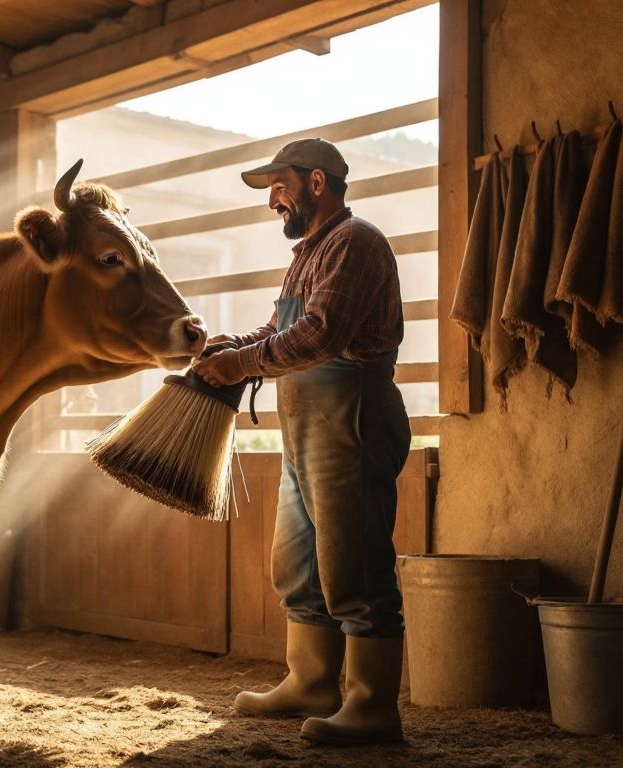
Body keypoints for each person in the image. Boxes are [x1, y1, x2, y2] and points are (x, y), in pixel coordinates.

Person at [193, 138, 411, 746]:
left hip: (352, 414)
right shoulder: (311, 252)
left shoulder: (356, 241)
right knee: (297, 560)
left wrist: (241, 368)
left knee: (354, 560)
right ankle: (312, 681)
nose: (272, 203)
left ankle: (372, 704)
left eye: (278, 187)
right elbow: (280, 329)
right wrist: (229, 349)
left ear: (317, 182)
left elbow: (321, 334)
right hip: (306, 418)